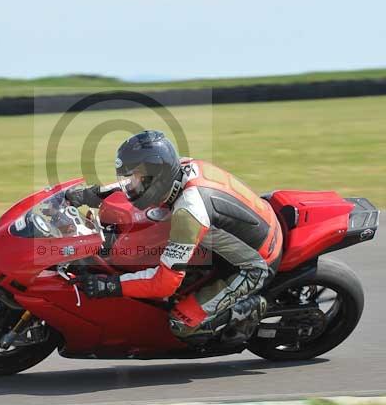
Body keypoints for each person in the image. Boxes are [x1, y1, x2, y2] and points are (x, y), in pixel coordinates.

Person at [66, 130, 283, 345]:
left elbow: (163, 283)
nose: (131, 185)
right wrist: (88, 195)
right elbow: (129, 187)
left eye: (137, 179)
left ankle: (247, 310)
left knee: (182, 324)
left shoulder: (188, 212)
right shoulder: (179, 169)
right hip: (248, 227)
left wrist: (110, 286)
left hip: (255, 264)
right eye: (130, 179)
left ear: (157, 178)